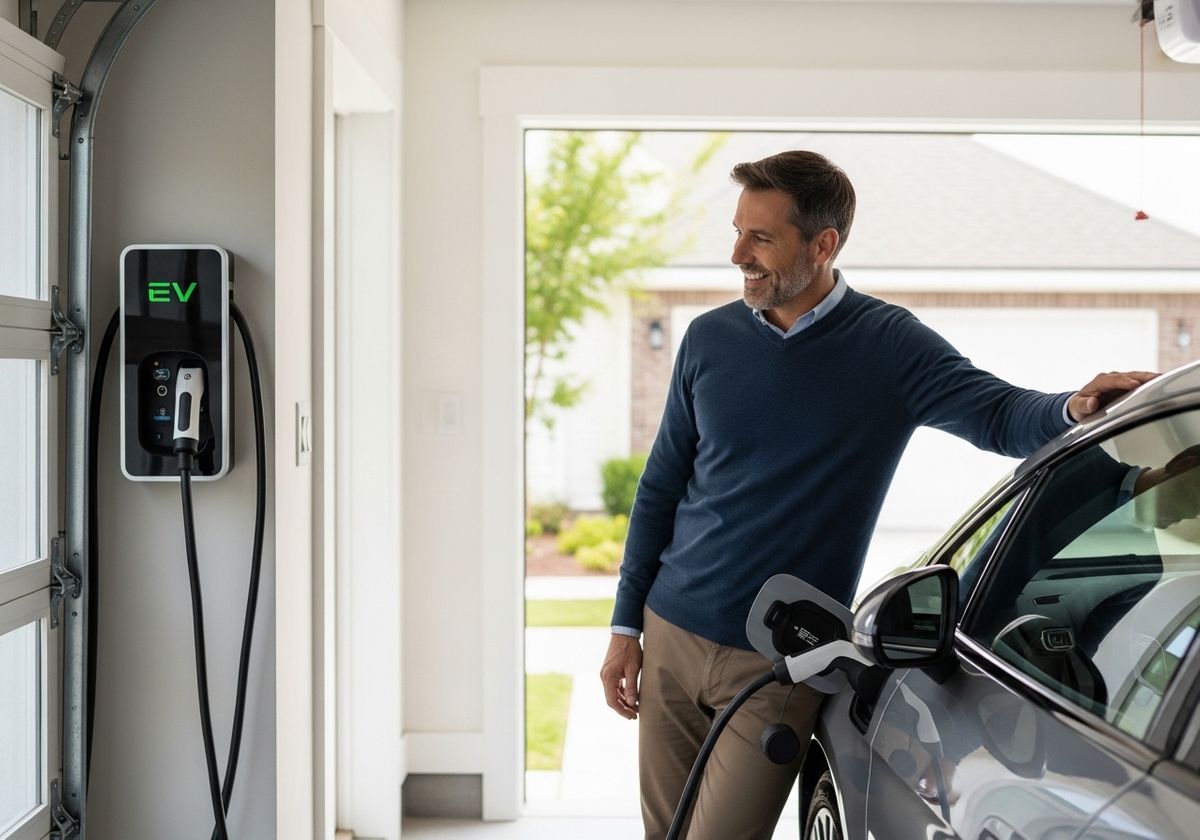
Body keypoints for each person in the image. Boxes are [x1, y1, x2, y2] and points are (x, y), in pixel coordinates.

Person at [598, 149, 1158, 840]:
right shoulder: (708, 338)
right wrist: (626, 629)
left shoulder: (889, 346)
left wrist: (1073, 407)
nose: (738, 254)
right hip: (672, 632)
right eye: (738, 232)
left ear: (823, 244)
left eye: (761, 238)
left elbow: (997, 413)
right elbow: (660, 487)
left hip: (781, 659)